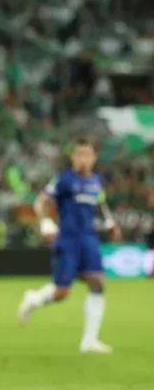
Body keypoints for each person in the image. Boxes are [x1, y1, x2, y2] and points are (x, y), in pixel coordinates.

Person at [17, 140, 122, 353]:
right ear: (73, 157)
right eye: (79, 154)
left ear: (93, 158)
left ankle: (89, 341)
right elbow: (42, 202)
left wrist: (110, 223)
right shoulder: (64, 180)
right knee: (62, 292)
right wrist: (46, 224)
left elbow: (100, 204)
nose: (84, 159)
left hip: (89, 238)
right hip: (68, 239)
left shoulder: (96, 181)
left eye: (88, 155)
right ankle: (33, 299)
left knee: (97, 283)